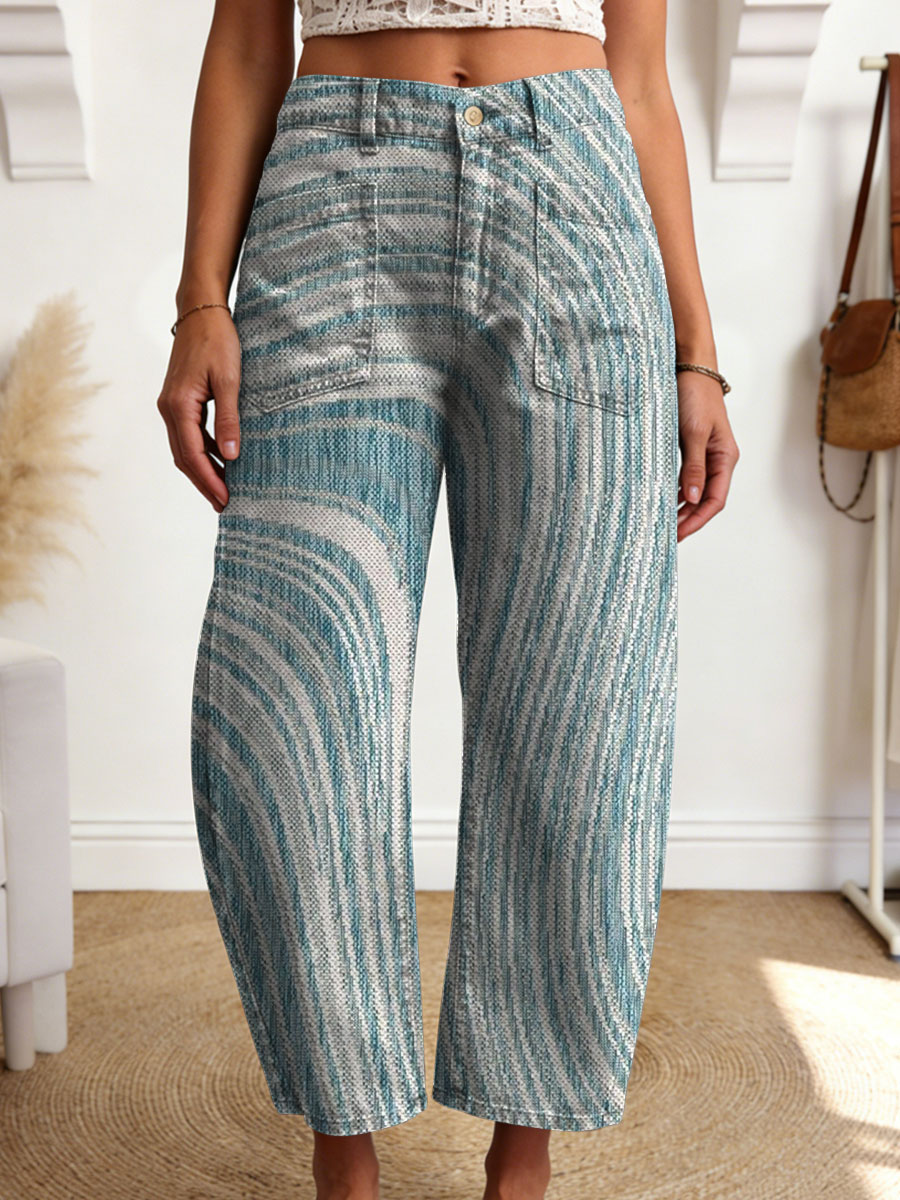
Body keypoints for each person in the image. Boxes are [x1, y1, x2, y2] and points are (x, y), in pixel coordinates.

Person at [157, 0, 740, 1196]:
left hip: (577, 200)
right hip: (331, 198)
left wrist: (697, 349)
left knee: (581, 704)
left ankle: (522, 1156)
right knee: (298, 705)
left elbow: (640, 79)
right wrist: (200, 299)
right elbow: (251, 42)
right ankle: (345, 1151)